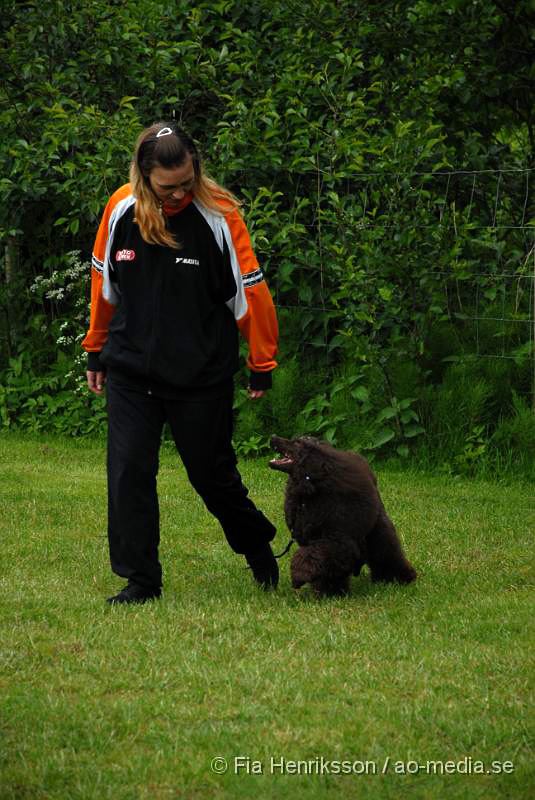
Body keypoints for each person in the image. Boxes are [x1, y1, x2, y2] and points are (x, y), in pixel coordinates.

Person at [82, 121, 279, 605]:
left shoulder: (219, 213)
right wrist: (95, 348)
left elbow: (249, 292)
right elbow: (103, 286)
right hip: (131, 370)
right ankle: (141, 581)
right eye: (168, 187)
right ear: (145, 175)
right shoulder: (121, 207)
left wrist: (261, 361)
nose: (179, 194)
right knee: (128, 473)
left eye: (187, 182)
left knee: (212, 476)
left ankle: (257, 546)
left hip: (199, 375)